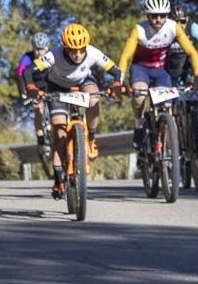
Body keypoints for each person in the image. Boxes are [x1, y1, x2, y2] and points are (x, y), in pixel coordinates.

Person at [21, 23, 126, 199]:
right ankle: (58, 179)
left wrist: (116, 84)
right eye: (73, 50)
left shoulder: (93, 52)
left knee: (94, 97)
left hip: (83, 82)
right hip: (57, 88)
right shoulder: (53, 55)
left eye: (81, 50)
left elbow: (116, 71)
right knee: (59, 132)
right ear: (65, 48)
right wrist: (31, 87)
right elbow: (28, 71)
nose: (78, 54)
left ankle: (91, 137)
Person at [118, 0, 198, 152]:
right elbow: (126, 56)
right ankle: (139, 125)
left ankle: (171, 152)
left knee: (167, 108)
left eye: (162, 15)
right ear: (147, 15)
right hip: (141, 68)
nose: (158, 19)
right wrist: (119, 80)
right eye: (154, 16)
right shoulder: (139, 29)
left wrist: (197, 75)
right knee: (139, 96)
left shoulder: (173, 27)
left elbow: (192, 52)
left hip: (162, 70)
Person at [16, 32, 52, 155]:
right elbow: (20, 75)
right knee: (38, 109)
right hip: (34, 86)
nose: (38, 53)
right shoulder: (27, 58)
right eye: (36, 49)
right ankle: (41, 139)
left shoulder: (52, 57)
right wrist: (23, 92)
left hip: (49, 85)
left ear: (47, 48)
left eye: (41, 49)